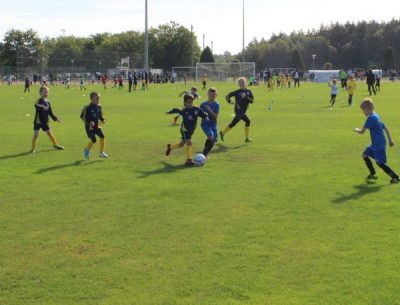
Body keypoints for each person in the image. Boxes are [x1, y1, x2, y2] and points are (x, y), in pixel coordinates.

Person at [354, 98, 399, 183]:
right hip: (376, 143)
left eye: (364, 110)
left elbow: (362, 131)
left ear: (368, 109)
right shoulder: (376, 115)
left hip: (378, 145)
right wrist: (390, 140)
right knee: (364, 154)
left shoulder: (370, 119)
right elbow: (385, 127)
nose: (363, 112)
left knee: (380, 163)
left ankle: (395, 177)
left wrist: (356, 129)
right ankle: (372, 173)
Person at [165, 94, 208, 165]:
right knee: (189, 142)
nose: (190, 104)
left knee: (182, 144)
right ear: (185, 103)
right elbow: (175, 110)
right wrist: (169, 112)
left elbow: (203, 113)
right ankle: (189, 160)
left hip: (191, 130)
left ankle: (170, 147)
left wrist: (206, 116)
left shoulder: (196, 109)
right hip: (184, 129)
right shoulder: (183, 110)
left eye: (191, 102)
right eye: (188, 102)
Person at [220, 77, 254, 143]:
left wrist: (246, 97)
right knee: (248, 121)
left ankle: (223, 132)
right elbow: (227, 96)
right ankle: (246, 138)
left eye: (243, 82)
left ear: (245, 83)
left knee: (235, 123)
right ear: (238, 84)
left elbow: (252, 101)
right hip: (238, 110)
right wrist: (229, 101)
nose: (242, 84)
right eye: (240, 83)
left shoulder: (249, 91)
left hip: (243, 110)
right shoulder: (237, 92)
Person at [31, 87, 64, 153]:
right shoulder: (39, 100)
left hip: (45, 121)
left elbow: (50, 113)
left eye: (47, 92)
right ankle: (33, 149)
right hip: (38, 121)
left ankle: (55, 145)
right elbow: (36, 106)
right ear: (40, 93)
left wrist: (56, 118)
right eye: (45, 92)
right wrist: (42, 107)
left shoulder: (48, 102)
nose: (46, 93)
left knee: (50, 134)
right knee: (36, 135)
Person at [81, 92, 108, 159]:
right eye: (97, 98)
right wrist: (89, 122)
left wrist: (102, 119)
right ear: (92, 99)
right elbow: (82, 117)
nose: (99, 99)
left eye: (99, 98)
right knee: (94, 140)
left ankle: (101, 152)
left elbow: (100, 114)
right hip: (89, 127)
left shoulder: (99, 106)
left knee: (102, 136)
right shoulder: (87, 107)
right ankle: (87, 150)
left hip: (97, 126)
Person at [200, 87, 220, 157]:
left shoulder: (217, 104)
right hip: (205, 124)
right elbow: (199, 114)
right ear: (208, 94)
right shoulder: (203, 104)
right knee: (211, 137)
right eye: (210, 95)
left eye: (213, 96)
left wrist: (210, 110)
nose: (212, 97)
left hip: (213, 124)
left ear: (216, 95)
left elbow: (215, 116)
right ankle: (204, 154)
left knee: (214, 140)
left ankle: (205, 153)